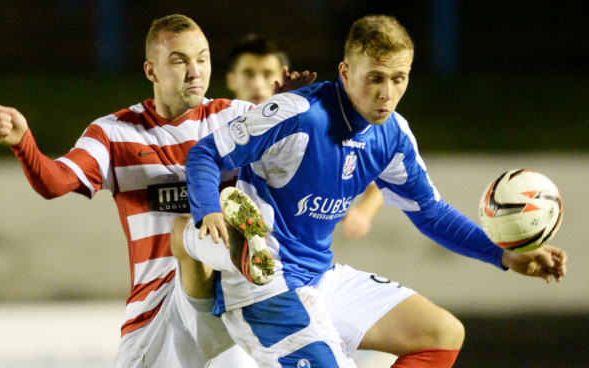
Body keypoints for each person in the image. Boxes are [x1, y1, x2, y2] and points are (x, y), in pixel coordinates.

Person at [176, 15, 568, 367]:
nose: (387, 92)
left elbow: (430, 211)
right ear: (345, 72)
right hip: (265, 286)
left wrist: (503, 255)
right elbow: (206, 155)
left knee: (441, 335)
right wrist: (209, 210)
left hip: (320, 277)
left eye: (399, 78)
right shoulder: (298, 113)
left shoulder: (393, 135)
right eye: (375, 77)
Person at [0, 13, 314, 368]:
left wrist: (293, 118)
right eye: (179, 61)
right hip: (155, 313)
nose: (195, 71)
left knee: (201, 237)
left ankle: (245, 261)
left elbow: (305, 167)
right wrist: (24, 143)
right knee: (188, 228)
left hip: (227, 307)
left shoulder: (235, 118)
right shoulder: (114, 133)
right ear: (150, 71)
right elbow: (56, 181)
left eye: (202, 59)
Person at [226, 33, 383, 239]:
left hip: (291, 253)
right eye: (248, 73)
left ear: (282, 76)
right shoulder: (217, 128)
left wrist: (363, 213)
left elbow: (379, 177)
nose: (257, 83)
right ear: (231, 79)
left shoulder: (305, 128)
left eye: (267, 74)